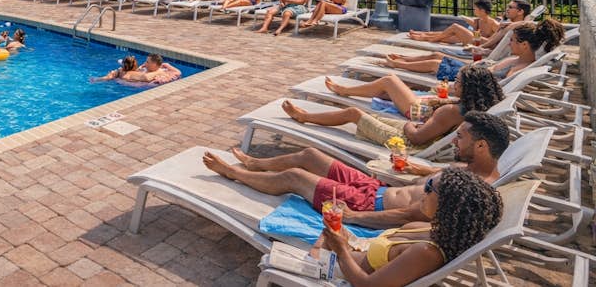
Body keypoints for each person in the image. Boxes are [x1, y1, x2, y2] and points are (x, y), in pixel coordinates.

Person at [201, 111, 507, 228]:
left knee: (295, 178)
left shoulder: (472, 189)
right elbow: (424, 178)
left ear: (481, 146)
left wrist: (354, 216)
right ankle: (255, 163)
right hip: (378, 188)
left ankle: (235, 173)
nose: (455, 138)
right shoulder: (466, 167)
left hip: (368, 204)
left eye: (461, 136)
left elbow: (412, 215)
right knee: (309, 154)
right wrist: (410, 165)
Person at [312, 168, 502, 286]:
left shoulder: (427, 252)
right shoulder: (433, 229)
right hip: (346, 253)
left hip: (335, 271)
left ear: (448, 205)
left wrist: (341, 249)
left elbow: (366, 284)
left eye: (429, 189)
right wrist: (344, 241)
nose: (423, 193)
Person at [281, 65, 504, 152]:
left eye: (458, 83)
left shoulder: (450, 112)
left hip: (407, 143)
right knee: (373, 107)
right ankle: (342, 94)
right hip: (426, 133)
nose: (454, 85)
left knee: (354, 113)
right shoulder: (472, 107)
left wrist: (409, 125)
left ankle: (305, 117)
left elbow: (416, 138)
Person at [386, 19, 565, 82]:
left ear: (524, 45)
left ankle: (396, 64)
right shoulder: (524, 58)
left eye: (512, 41)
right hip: (477, 67)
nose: (509, 44)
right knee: (437, 55)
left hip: (470, 77)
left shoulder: (520, 67)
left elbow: (500, 86)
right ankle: (403, 59)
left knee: (435, 64)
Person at [409, 0, 500, 45]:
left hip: (481, 44)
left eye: (475, 9)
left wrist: (483, 44)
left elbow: (498, 40)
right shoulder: (477, 21)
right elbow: (469, 21)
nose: (474, 11)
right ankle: (423, 35)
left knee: (455, 27)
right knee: (447, 35)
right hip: (474, 41)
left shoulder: (493, 24)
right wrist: (463, 17)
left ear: (482, 11)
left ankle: (430, 39)